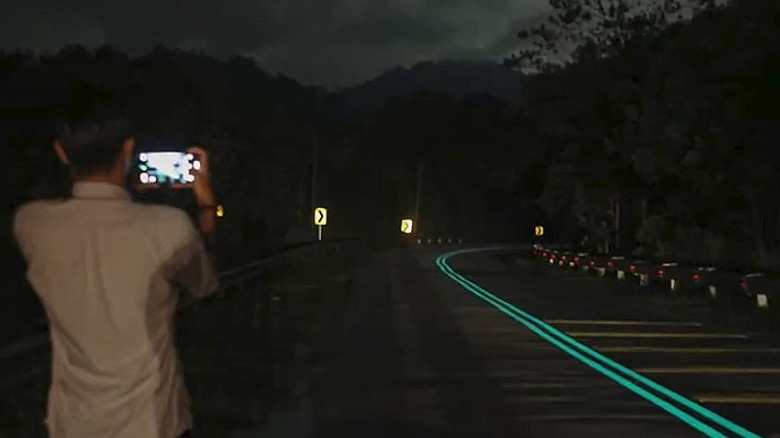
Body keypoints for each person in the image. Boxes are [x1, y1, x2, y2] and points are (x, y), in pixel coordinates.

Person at [13, 114, 219, 438]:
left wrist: (124, 187)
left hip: (74, 422)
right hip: (151, 422)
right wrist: (206, 205)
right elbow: (204, 285)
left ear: (61, 152)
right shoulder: (169, 227)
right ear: (128, 150)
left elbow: (85, 216)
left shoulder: (30, 223)